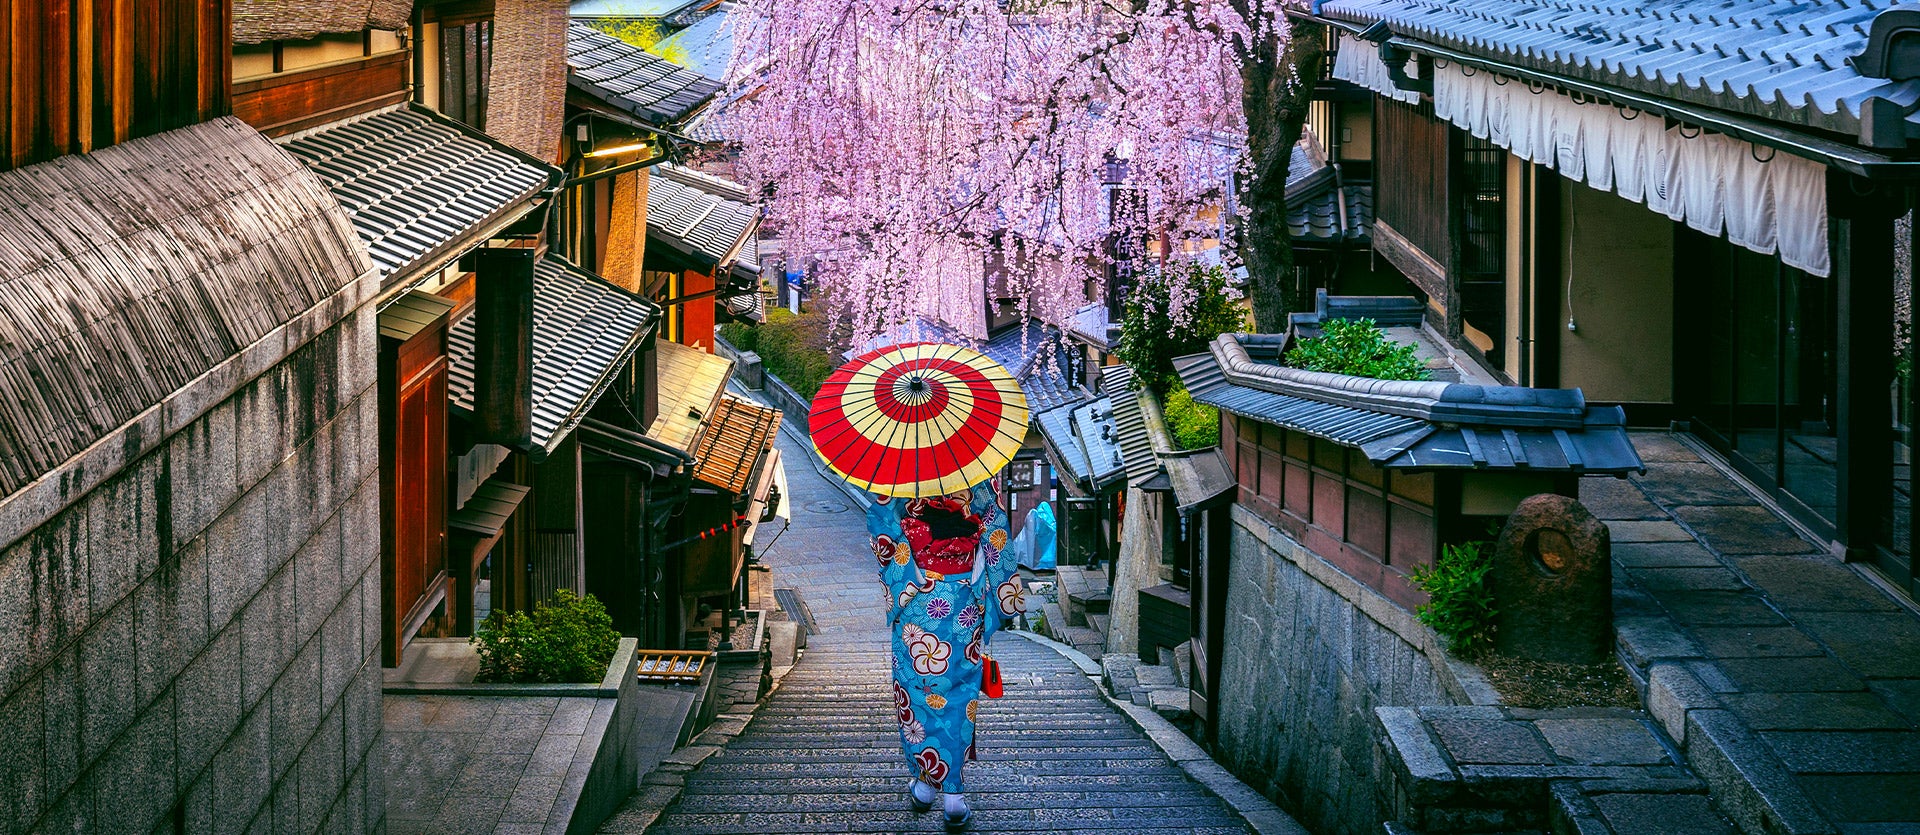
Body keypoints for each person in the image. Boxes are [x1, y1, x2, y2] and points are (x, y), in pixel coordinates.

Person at [867, 478, 1026, 831]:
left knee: (916, 691)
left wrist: (910, 574)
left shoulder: (898, 475)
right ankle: (954, 796)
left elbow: (882, 524)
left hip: (916, 597)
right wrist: (1001, 593)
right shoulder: (975, 472)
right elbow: (995, 529)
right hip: (962, 599)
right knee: (958, 692)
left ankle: (926, 784)